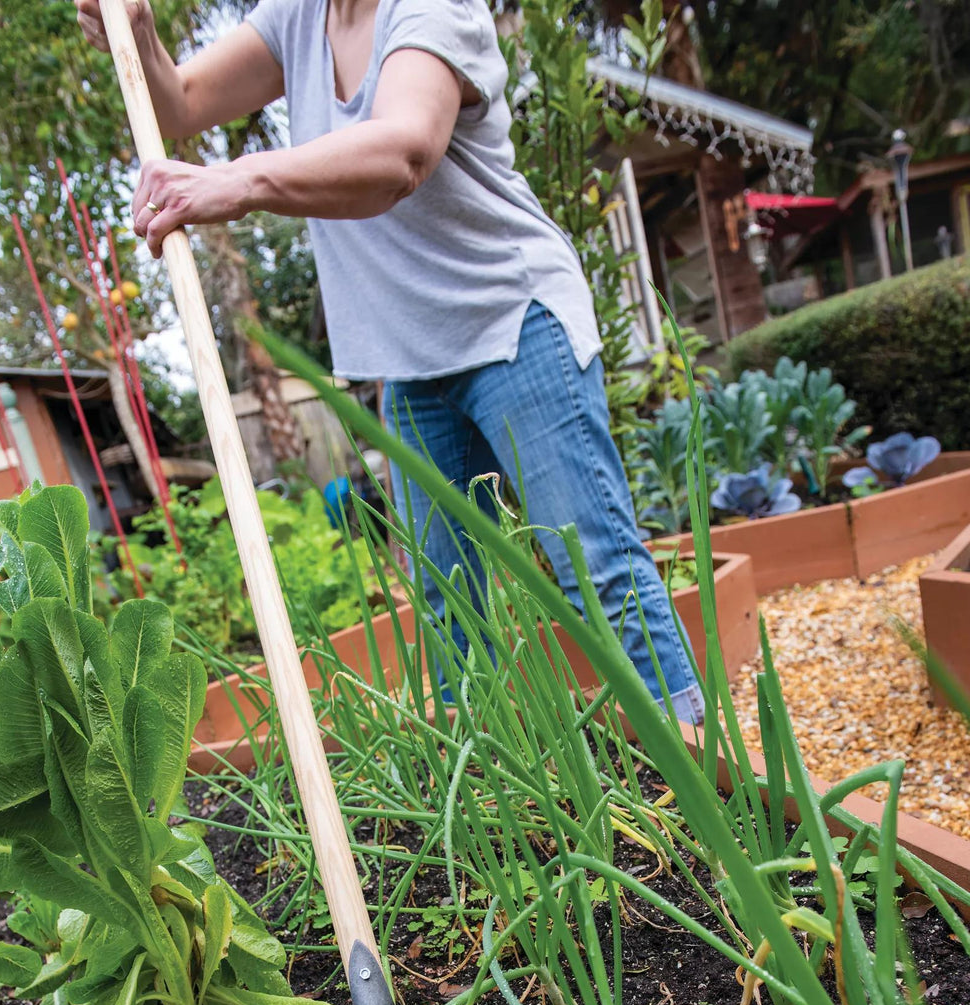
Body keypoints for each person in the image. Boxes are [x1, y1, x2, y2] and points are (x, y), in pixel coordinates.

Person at [76, 0, 703, 722]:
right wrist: (142, 35)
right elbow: (180, 103)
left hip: (512, 325)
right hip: (406, 360)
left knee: (595, 570)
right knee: (447, 607)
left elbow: (403, 151)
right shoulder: (298, 18)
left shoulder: (432, 7)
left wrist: (237, 181)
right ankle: (494, 813)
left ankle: (706, 790)